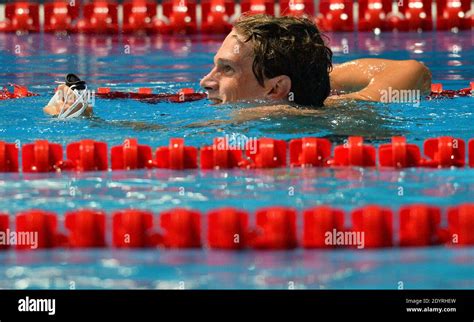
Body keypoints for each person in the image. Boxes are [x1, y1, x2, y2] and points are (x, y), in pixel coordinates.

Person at [44, 14, 432, 117]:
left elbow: (415, 71)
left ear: (276, 86)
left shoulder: (241, 120)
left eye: (226, 70)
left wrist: (86, 121)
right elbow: (413, 73)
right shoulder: (276, 102)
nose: (205, 81)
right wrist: (308, 92)